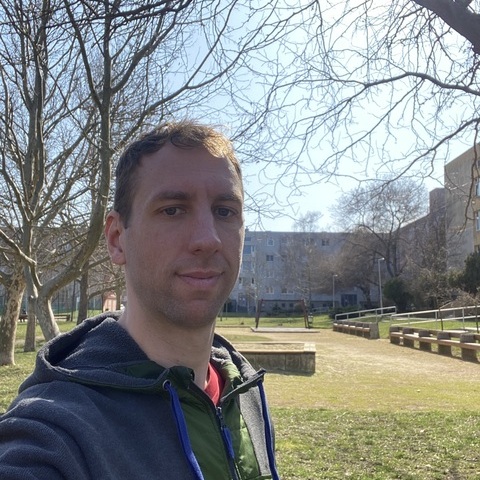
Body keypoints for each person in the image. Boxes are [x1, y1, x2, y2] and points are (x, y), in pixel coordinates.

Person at [0, 120, 280, 480]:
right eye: (173, 209)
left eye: (225, 211)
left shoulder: (243, 388)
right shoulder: (57, 431)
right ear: (117, 239)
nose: (208, 239)